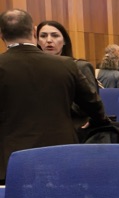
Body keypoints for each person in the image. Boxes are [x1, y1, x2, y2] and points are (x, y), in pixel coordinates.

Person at [1, 9, 108, 181]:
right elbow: (93, 104)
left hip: (11, 160)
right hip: (61, 154)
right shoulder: (66, 65)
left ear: (1, 34)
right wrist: (99, 121)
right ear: (34, 31)